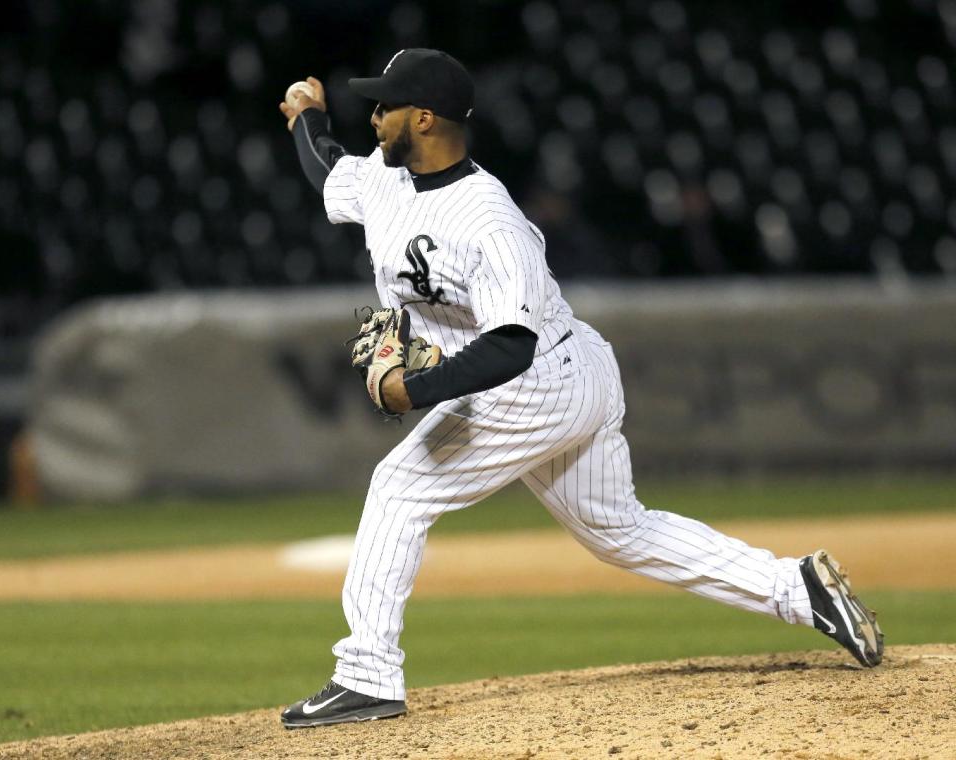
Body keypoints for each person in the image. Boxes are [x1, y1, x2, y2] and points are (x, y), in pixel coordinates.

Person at [276, 49, 883, 729]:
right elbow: (330, 167)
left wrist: (412, 393)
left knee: (399, 488)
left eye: (385, 106)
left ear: (424, 118)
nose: (375, 117)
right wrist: (308, 117)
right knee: (619, 530)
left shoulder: (488, 220)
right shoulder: (387, 179)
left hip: (537, 380)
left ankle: (367, 673)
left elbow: (510, 346)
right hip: (568, 374)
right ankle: (797, 588)